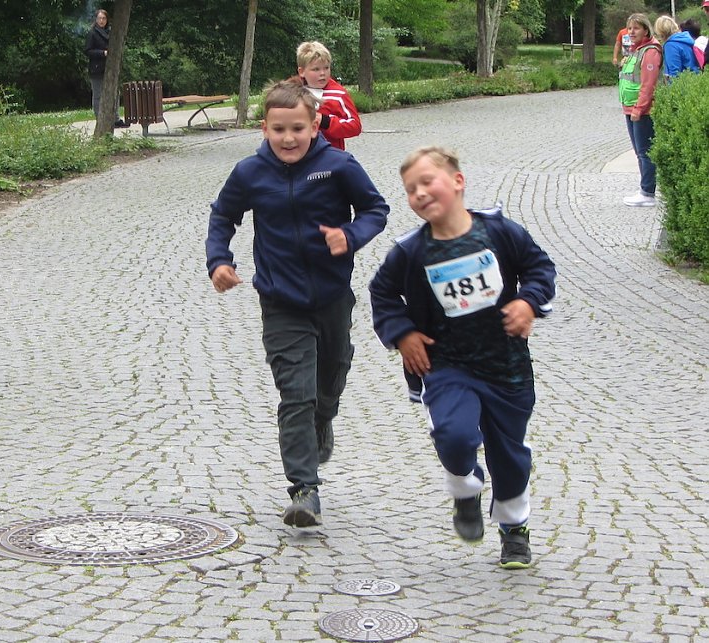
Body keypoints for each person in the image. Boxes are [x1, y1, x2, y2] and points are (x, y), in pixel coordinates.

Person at [206, 80, 389, 528]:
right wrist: (219, 261)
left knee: (329, 383)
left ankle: (324, 420)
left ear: (314, 126)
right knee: (296, 394)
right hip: (280, 299)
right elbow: (222, 216)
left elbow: (375, 210)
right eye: (278, 129)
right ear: (264, 128)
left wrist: (349, 236)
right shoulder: (250, 172)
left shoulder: (339, 166)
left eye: (297, 129)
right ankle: (304, 490)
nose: (288, 139)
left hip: (331, 297)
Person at [368, 146, 556, 569]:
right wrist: (403, 334)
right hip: (446, 364)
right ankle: (465, 488)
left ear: (457, 181)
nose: (419, 193)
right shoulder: (410, 251)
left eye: (427, 182)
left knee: (509, 455)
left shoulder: (500, 232)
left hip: (506, 365)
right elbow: (381, 293)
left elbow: (540, 269)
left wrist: (528, 302)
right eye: (410, 190)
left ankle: (514, 529)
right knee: (453, 435)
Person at [618, 13, 662, 207]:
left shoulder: (650, 51)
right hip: (630, 107)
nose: (631, 32)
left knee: (645, 151)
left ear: (646, 29)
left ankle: (647, 192)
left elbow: (648, 84)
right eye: (629, 28)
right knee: (640, 151)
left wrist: (639, 108)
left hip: (642, 110)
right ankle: (644, 189)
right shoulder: (636, 51)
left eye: (636, 28)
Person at [296, 41, 362, 151]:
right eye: (316, 69)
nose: (322, 73)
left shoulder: (339, 94)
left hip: (330, 155)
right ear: (302, 71)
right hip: (299, 156)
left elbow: (355, 126)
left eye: (326, 68)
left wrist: (326, 121)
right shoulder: (293, 90)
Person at [85, 9, 128, 128]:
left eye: (104, 18)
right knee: (98, 95)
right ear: (96, 19)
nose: (102, 21)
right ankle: (100, 120)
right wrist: (102, 53)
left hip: (110, 68)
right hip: (97, 68)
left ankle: (115, 119)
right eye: (99, 18)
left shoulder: (110, 32)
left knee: (114, 93)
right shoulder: (92, 33)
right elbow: (88, 51)